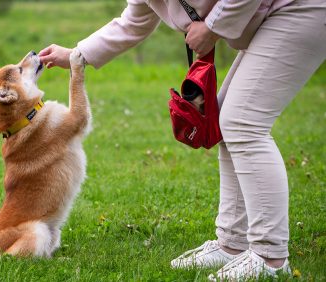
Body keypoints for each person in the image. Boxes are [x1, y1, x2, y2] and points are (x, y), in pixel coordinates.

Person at [39, 0, 326, 280]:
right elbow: (133, 22)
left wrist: (212, 28)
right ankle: (232, 244)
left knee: (243, 123)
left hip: (299, 9)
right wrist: (76, 55)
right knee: (227, 120)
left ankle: (269, 258)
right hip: (273, 16)